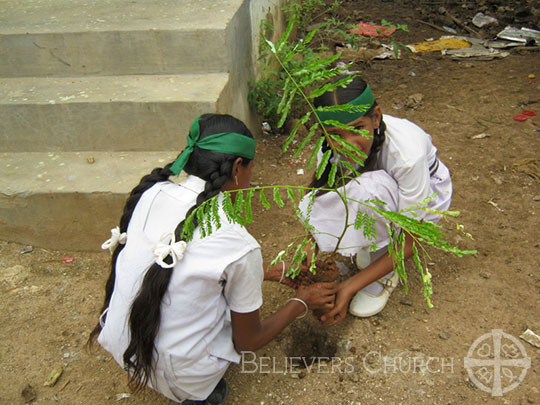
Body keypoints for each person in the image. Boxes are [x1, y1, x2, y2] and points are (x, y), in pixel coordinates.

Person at [88, 114, 336, 404]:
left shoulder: (152, 192)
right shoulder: (237, 242)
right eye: (252, 169)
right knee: (213, 387)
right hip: (180, 378)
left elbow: (190, 268)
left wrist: (266, 272)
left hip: (122, 346)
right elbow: (249, 341)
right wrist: (302, 302)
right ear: (238, 167)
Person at [298, 75, 452, 325]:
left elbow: (411, 242)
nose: (347, 144)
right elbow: (322, 195)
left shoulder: (405, 155)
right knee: (348, 192)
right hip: (376, 189)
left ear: (376, 117)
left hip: (429, 192)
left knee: (369, 190)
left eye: (357, 129)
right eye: (335, 134)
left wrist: (348, 287)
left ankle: (385, 273)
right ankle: (371, 249)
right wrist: (308, 246)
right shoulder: (327, 149)